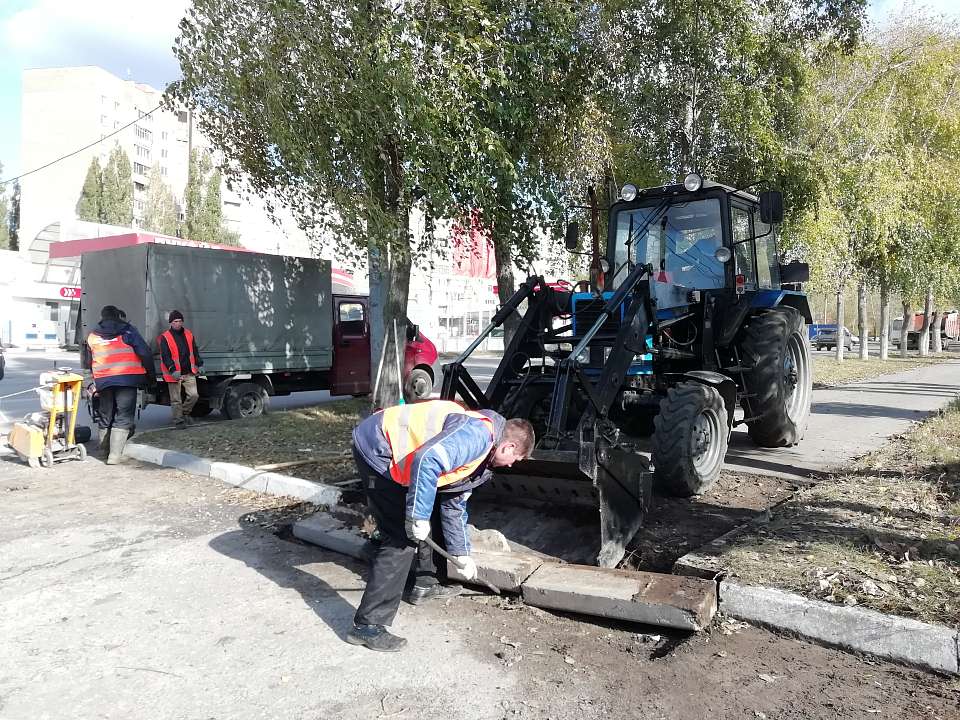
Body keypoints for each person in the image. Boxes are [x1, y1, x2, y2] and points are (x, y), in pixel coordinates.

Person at [346, 399, 535, 652]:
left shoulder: (479, 456)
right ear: (509, 446)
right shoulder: (478, 436)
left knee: (425, 508)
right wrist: (417, 516)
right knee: (401, 537)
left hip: (389, 450)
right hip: (377, 448)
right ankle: (367, 626)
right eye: (516, 458)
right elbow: (428, 458)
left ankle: (425, 583)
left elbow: (453, 506)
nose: (512, 465)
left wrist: (462, 555)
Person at [81, 305, 155, 464]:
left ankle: (103, 452)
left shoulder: (93, 335)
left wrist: (92, 382)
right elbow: (145, 353)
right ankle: (114, 456)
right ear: (118, 316)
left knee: (105, 414)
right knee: (123, 415)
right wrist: (150, 376)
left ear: (102, 317)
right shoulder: (128, 331)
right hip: (127, 380)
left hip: (103, 381)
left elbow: (88, 362)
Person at [157, 310, 203, 429]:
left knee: (194, 396)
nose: (178, 323)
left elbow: (194, 351)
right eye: (175, 321)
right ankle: (178, 421)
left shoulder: (189, 334)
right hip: (174, 374)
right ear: (171, 323)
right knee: (176, 399)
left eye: (180, 321)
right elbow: (165, 356)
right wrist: (173, 370)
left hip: (189, 371)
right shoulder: (165, 337)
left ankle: (184, 413)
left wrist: (200, 364)